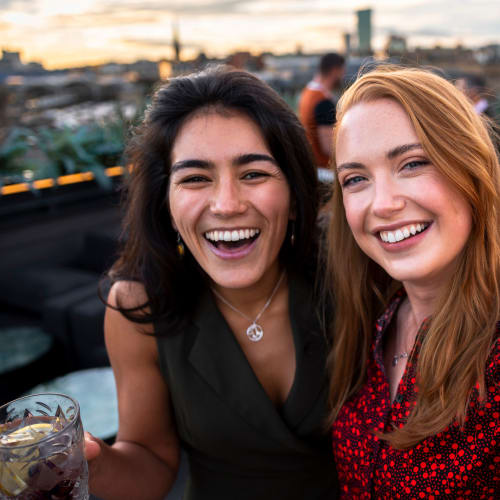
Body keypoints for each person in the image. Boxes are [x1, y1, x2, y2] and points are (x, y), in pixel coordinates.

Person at [84, 65, 338, 500]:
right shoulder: (137, 308)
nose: (225, 205)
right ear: (166, 204)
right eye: (195, 178)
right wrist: (91, 460)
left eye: (254, 174)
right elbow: (150, 462)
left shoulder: (349, 273)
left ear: (296, 196)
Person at [326, 66, 499, 498]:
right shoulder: (374, 318)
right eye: (356, 179)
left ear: (470, 167)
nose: (383, 204)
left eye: (413, 163)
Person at [298, 52, 345, 167]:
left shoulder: (307, 92)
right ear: (335, 70)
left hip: (312, 164)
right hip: (324, 169)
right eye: (342, 71)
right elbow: (328, 147)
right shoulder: (323, 101)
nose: (343, 76)